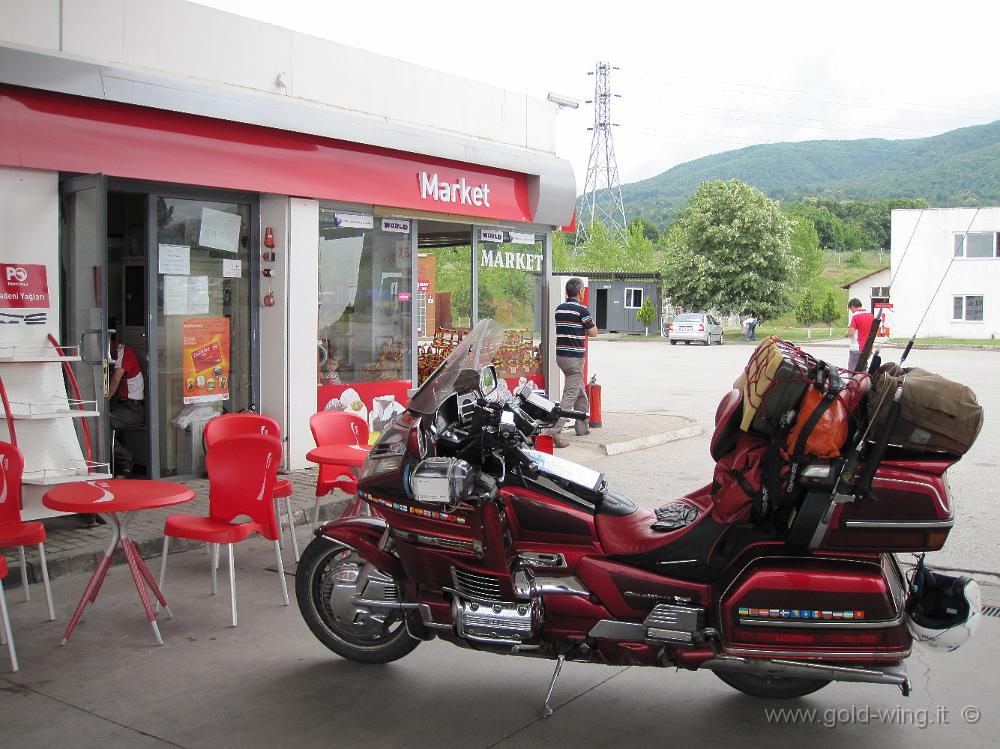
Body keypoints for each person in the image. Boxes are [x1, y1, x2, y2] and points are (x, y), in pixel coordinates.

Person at [545, 277, 597, 448]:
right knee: (569, 396)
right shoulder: (582, 310)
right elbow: (593, 332)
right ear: (581, 291)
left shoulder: (559, 309)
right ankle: (554, 432)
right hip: (575, 359)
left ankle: (582, 426)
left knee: (580, 392)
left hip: (561, 357)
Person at [108, 323, 145, 477]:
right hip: (118, 405)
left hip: (133, 407)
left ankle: (125, 458)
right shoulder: (108, 355)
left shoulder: (123, 352)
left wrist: (103, 404)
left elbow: (115, 381)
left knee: (103, 423)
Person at [844, 298, 875, 371]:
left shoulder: (855, 315)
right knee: (863, 371)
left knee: (853, 372)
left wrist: (845, 334)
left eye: (850, 309)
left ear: (852, 306)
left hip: (857, 348)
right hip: (868, 348)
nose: (851, 311)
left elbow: (851, 333)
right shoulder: (870, 315)